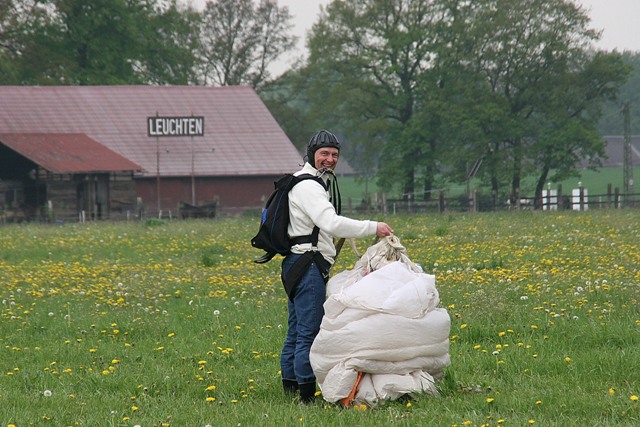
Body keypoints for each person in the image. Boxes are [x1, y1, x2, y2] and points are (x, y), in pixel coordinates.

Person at [280, 129, 394, 403]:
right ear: (312, 155)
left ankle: (291, 388)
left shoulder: (305, 181)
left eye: (334, 155)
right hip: (307, 265)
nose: (330, 159)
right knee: (308, 332)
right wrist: (373, 227)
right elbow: (330, 223)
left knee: (296, 330)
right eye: (324, 154)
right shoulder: (309, 186)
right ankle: (306, 396)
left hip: (297, 263)